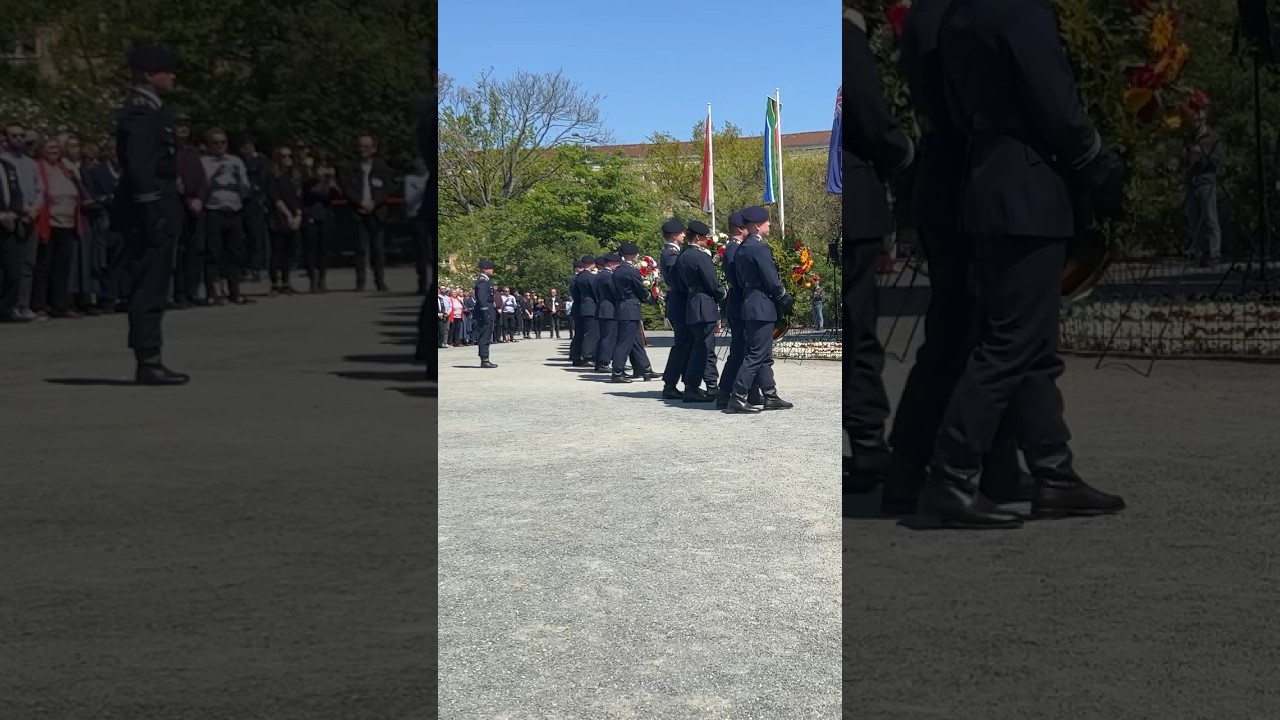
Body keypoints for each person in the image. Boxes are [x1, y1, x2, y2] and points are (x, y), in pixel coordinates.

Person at [918, 0, 1128, 528]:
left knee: (1029, 341)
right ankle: (950, 476)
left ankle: (1054, 476)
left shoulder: (959, 16)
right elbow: (1055, 100)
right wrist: (1095, 162)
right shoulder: (1018, 10)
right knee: (1012, 341)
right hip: (1029, 189)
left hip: (990, 180)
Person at [879, 0, 1033, 515]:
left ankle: (996, 464)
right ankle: (915, 465)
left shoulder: (943, 13)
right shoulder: (942, 16)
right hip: (958, 183)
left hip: (959, 180)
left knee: (979, 329)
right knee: (957, 332)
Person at [845, 0, 914, 483]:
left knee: (855, 327)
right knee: (859, 328)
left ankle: (866, 440)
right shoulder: (843, 34)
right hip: (857, 202)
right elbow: (871, 117)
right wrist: (906, 154)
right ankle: (867, 442)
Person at [113, 44, 189, 384]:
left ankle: (152, 355)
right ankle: (148, 358)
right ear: (148, 74)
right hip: (151, 207)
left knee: (158, 283)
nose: (172, 76)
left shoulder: (154, 111)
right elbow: (139, 167)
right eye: (166, 70)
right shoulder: (141, 113)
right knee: (148, 284)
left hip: (161, 203)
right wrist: (151, 210)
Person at [727, 206, 792, 413]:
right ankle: (737, 396)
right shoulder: (759, 248)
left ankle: (770, 394)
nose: (770, 225)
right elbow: (771, 279)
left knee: (762, 352)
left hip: (750, 302)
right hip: (762, 305)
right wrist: (784, 297)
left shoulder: (742, 248)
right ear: (757, 226)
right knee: (756, 353)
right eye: (767, 222)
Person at [675, 219, 725, 402]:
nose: (707, 240)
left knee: (701, 346)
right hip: (704, 304)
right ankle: (696, 386)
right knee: (704, 348)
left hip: (692, 302)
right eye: (705, 237)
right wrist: (723, 294)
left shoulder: (683, 256)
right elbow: (711, 282)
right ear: (698, 237)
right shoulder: (701, 257)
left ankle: (706, 384)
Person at [716, 211, 762, 409]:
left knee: (744, 349)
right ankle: (726, 392)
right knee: (740, 351)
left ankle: (750, 392)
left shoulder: (734, 248)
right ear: (740, 229)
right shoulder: (735, 249)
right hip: (740, 301)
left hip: (739, 301)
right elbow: (739, 279)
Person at [610, 244, 660, 383]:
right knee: (625, 342)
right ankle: (617, 371)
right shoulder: (631, 271)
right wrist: (650, 297)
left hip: (622, 306)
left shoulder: (617, 271)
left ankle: (645, 369)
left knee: (636, 341)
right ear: (632, 255)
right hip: (631, 307)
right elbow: (639, 289)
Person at [658, 219, 691, 399]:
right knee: (682, 344)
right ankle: (670, 384)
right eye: (681, 233)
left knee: (686, 344)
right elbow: (677, 279)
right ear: (674, 235)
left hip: (680, 301)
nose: (684, 235)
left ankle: (686, 382)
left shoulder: (674, 252)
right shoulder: (671, 254)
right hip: (680, 302)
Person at [1186, 109, 1223, 267]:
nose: (1196, 121)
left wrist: (1201, 154)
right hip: (1192, 180)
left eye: (1198, 118)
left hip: (1206, 180)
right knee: (1194, 217)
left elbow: (1217, 159)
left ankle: (1214, 252)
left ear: (1205, 119)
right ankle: (1199, 251)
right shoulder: (1190, 138)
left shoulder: (1213, 137)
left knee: (1210, 217)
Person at [569, 255, 598, 366]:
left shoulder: (578, 278)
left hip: (580, 306)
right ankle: (587, 356)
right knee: (590, 333)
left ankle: (576, 356)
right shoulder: (590, 277)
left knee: (580, 333)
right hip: (590, 307)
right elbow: (595, 292)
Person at [594, 254, 618, 372]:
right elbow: (614, 292)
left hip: (603, 308)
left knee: (604, 336)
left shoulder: (600, 275)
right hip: (610, 309)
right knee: (609, 337)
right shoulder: (608, 276)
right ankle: (604, 362)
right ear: (610, 264)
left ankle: (599, 361)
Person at [473, 260, 498, 368]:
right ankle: (485, 359)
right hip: (485, 310)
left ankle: (485, 358)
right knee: (485, 335)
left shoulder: (486, 280)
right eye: (490, 268)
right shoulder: (483, 281)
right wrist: (485, 311)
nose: (492, 270)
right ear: (484, 269)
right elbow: (482, 298)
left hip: (488, 309)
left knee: (487, 334)